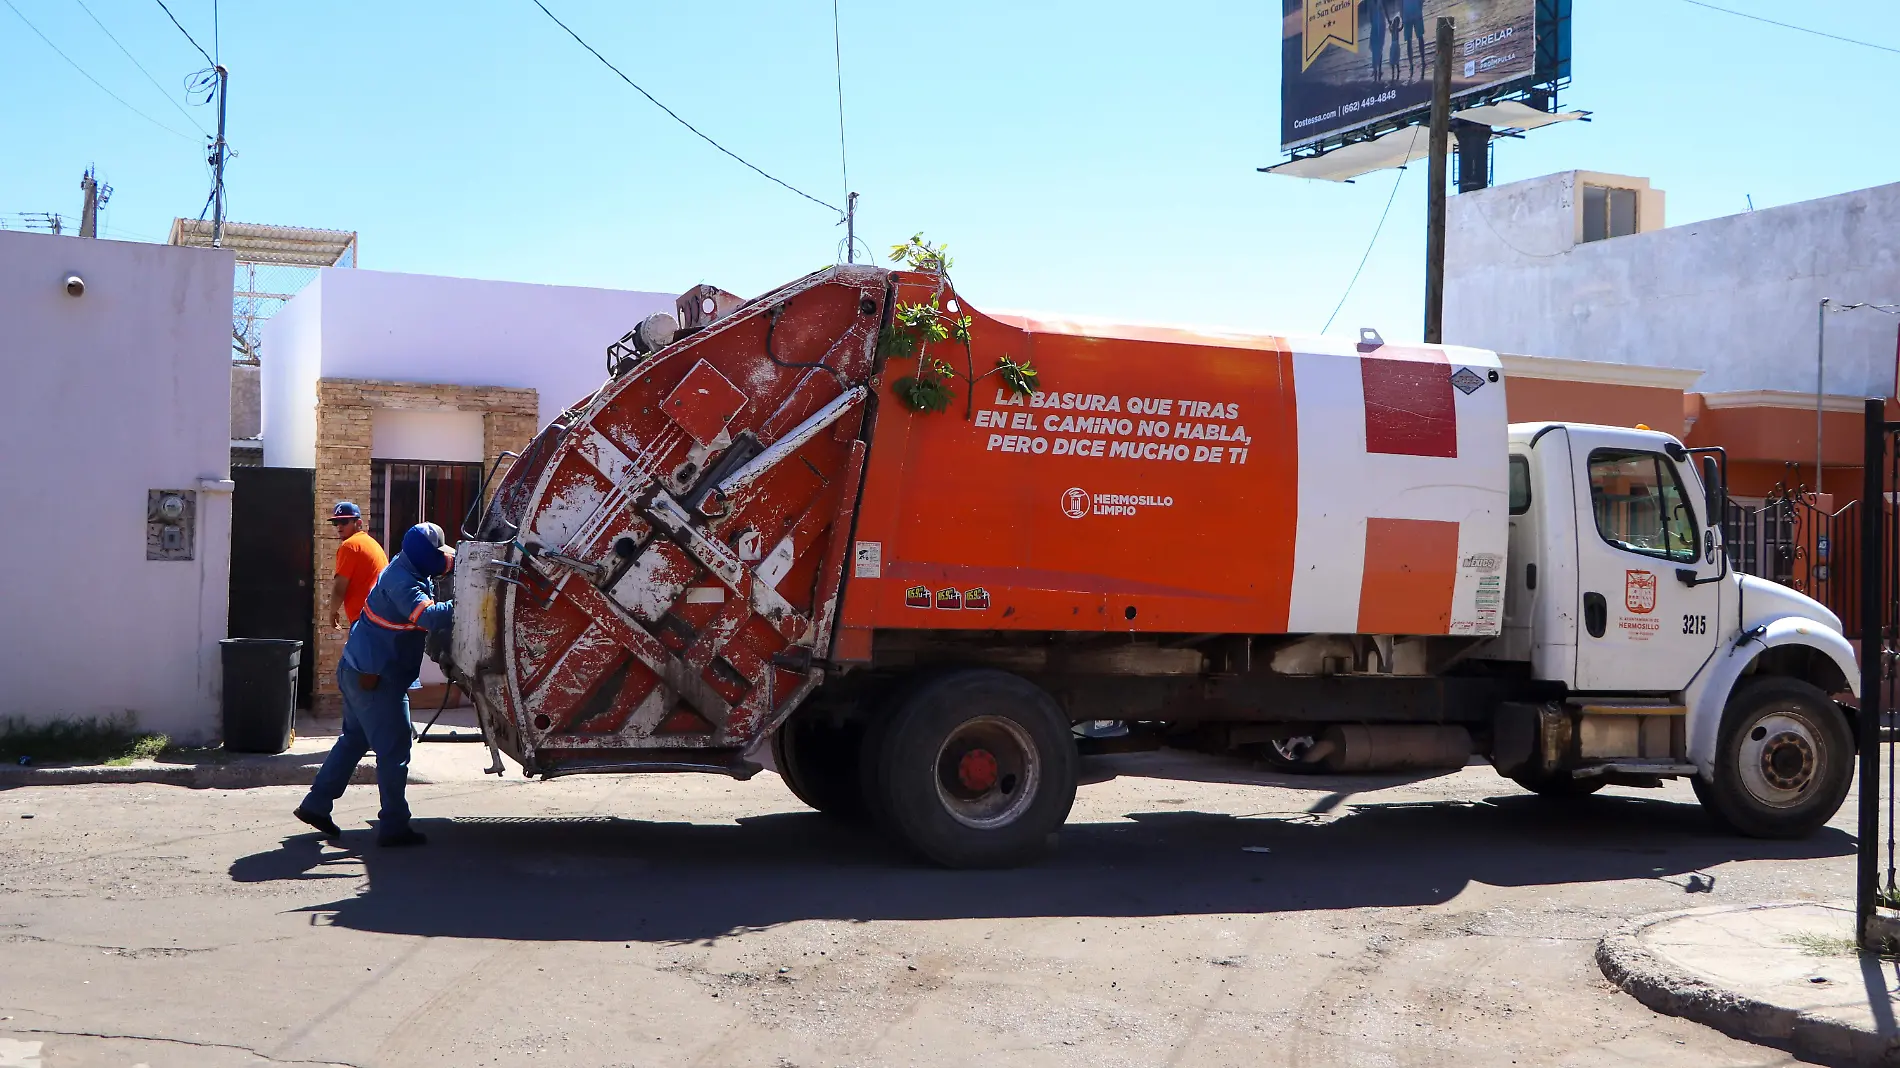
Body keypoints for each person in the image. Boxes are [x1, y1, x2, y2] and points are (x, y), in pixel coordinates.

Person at [294, 523, 455, 847]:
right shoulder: (403, 582)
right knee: (395, 749)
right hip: (377, 679)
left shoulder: (406, 565)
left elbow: (438, 569)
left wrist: (457, 562)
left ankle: (316, 804)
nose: (444, 559)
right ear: (426, 556)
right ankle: (394, 825)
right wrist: (466, 601)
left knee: (354, 740)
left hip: (361, 671)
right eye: (440, 554)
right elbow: (429, 617)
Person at [328, 502, 388, 631]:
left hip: (366, 621)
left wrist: (332, 612)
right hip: (380, 619)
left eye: (344, 522)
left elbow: (339, 587)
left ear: (358, 523)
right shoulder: (371, 543)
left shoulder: (350, 545)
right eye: (336, 523)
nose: (339, 526)